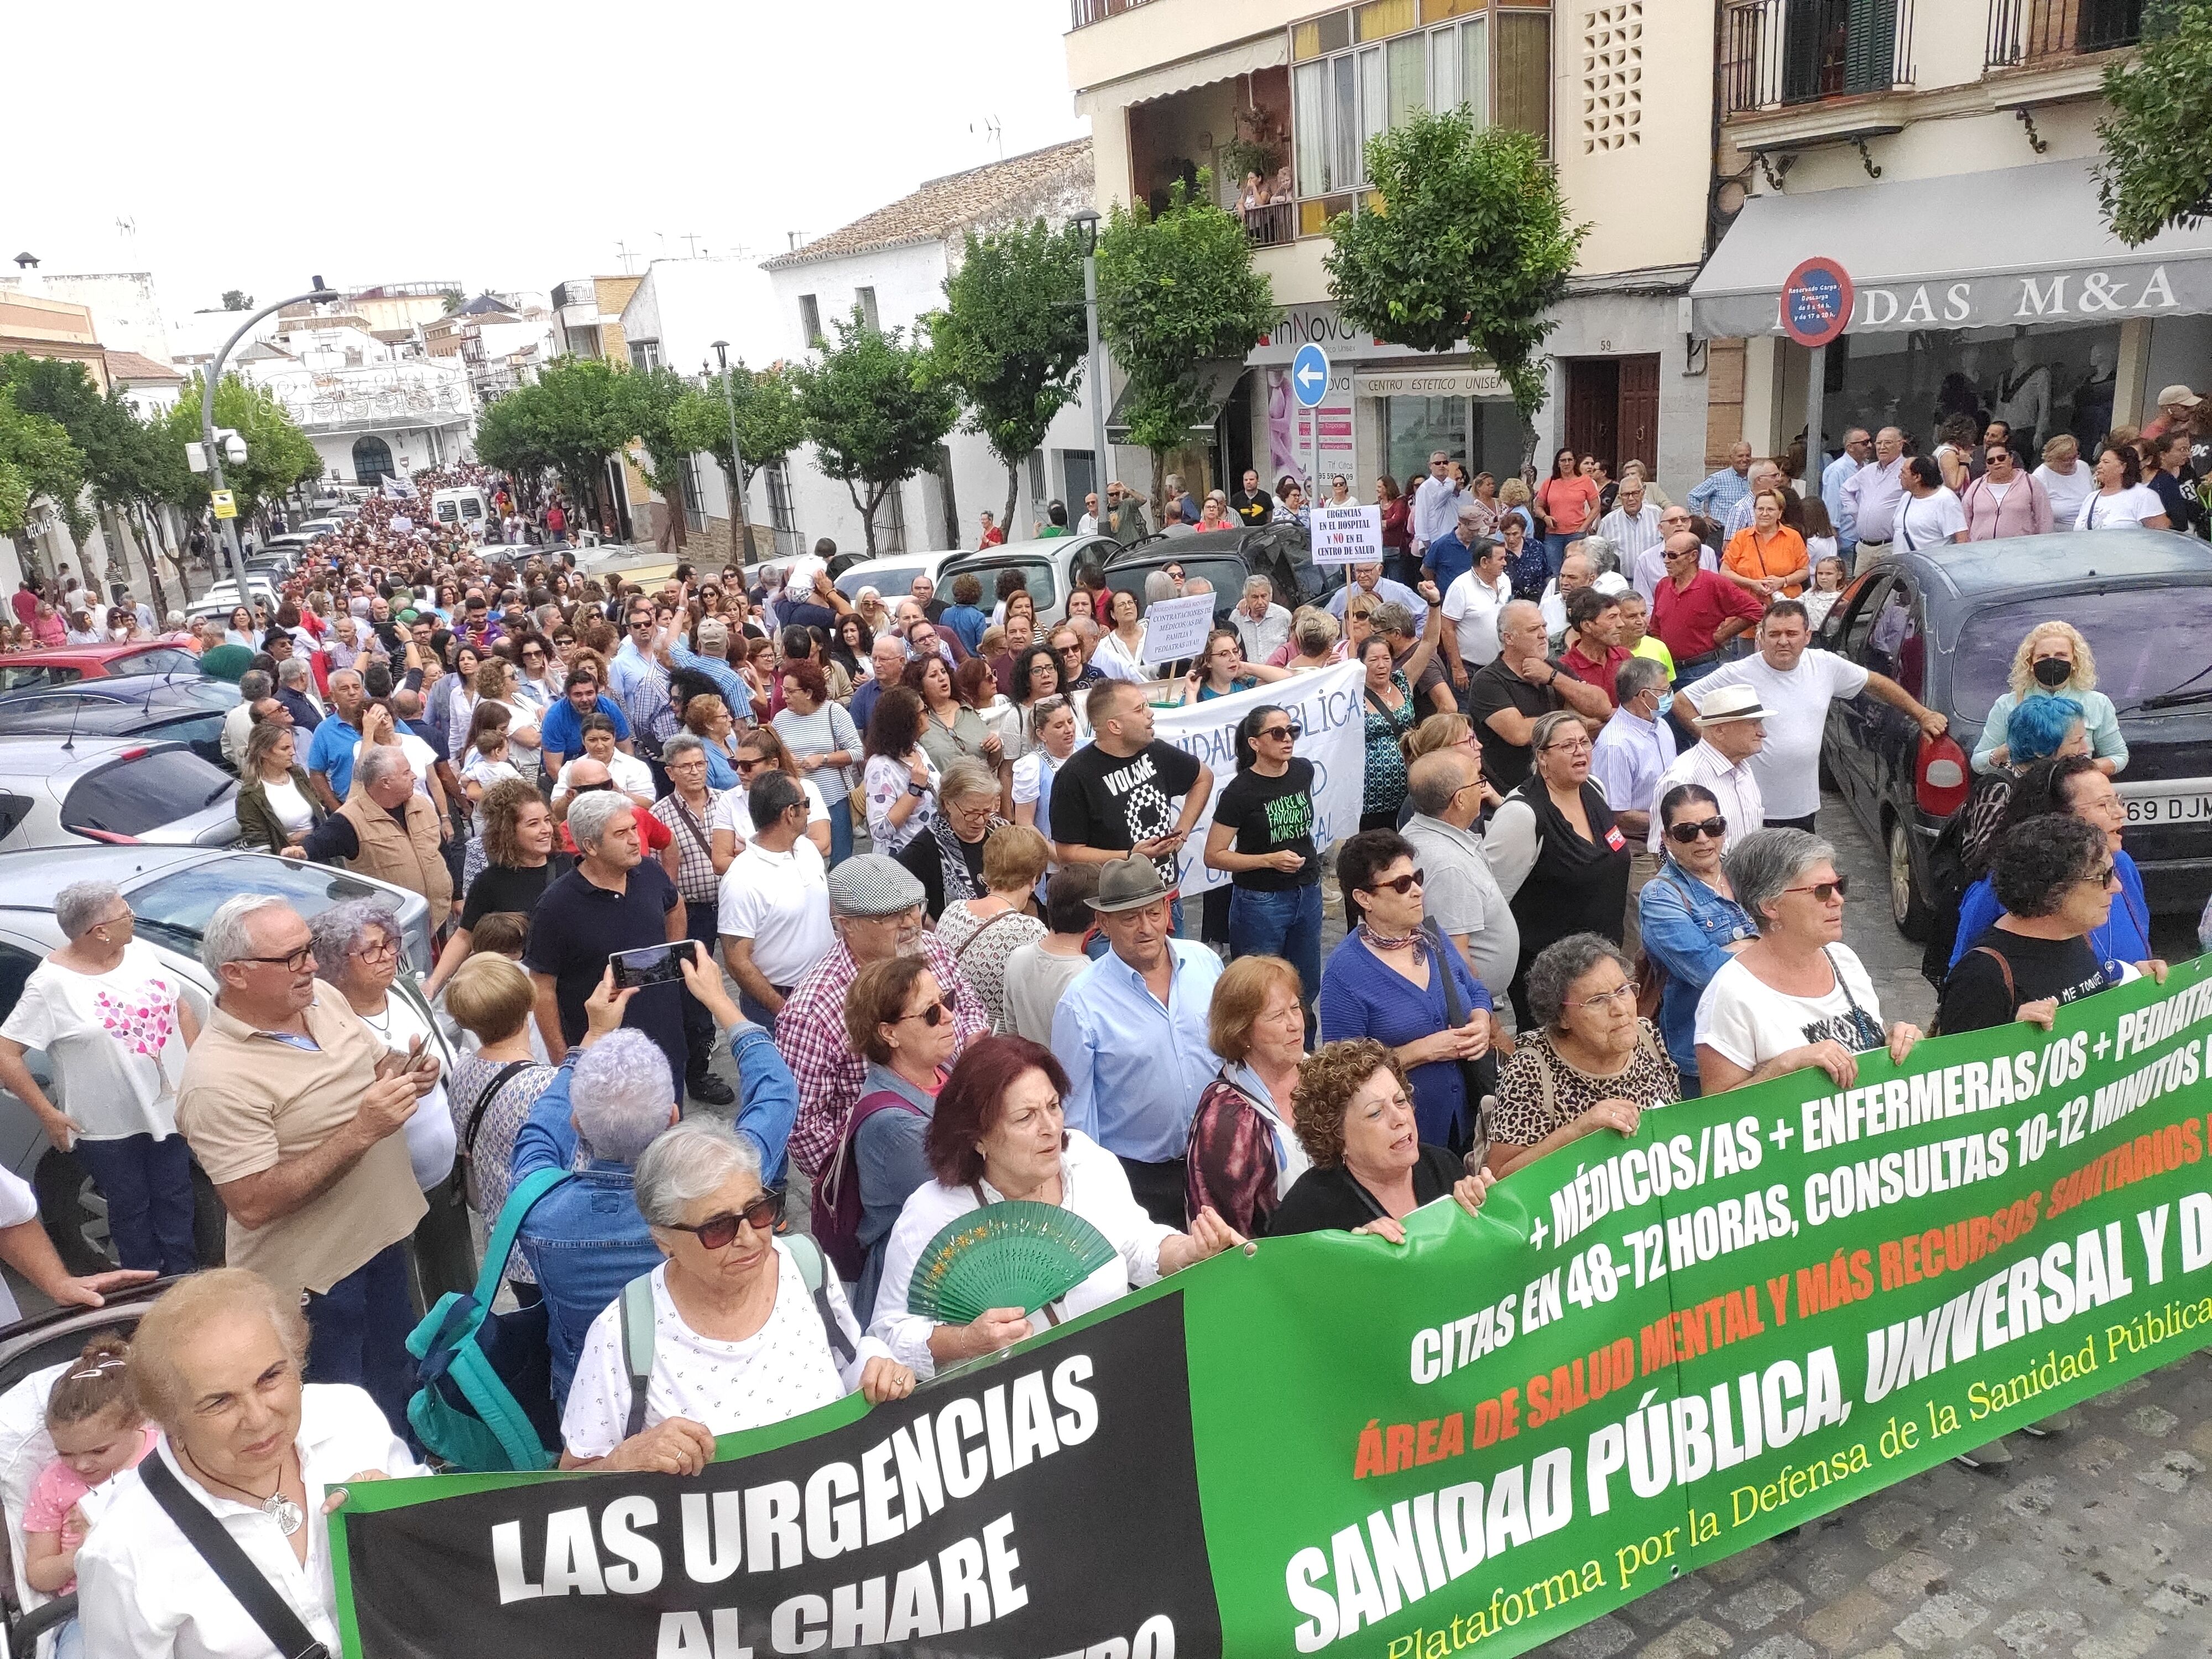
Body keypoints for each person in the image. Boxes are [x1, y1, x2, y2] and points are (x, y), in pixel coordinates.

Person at [176, 896, 440, 1431]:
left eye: (309, 949)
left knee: (398, 1383)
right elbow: (252, 1203)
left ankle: (409, 1465)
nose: (314, 965)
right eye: (292, 957)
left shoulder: (322, 998)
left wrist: (409, 1069)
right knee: (341, 1418)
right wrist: (362, 1130)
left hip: (380, 1241)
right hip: (316, 1284)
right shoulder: (216, 1081)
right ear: (235, 974)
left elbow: (374, 1063)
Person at [75, 1270, 424, 1659]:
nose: (258, 1419)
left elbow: (444, 1567)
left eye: (270, 1377)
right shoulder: (123, 1553)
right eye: (219, 1401)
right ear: (169, 1419)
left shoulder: (350, 1418)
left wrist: (404, 1520)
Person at [869, 1035, 1241, 1376]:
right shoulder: (933, 1213)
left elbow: (1136, 1245)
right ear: (977, 1137)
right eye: (1025, 1117)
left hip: (1117, 1375)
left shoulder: (1087, 1161)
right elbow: (889, 1335)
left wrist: (1190, 1251)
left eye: (1053, 1106)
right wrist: (966, 1341)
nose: (1050, 1127)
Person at [513, 960, 797, 1404]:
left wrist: (593, 1035)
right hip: (703, 1391)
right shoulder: (725, 1188)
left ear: (578, 1124)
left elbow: (540, 1131)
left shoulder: (536, 1208)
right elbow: (776, 1091)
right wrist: (720, 1001)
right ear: (672, 1117)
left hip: (593, 1398)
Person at [559, 1116, 907, 1472]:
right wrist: (625, 1461)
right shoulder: (622, 1333)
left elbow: (848, 1360)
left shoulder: (806, 1266)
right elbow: (572, 1481)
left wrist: (878, 1365)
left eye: (758, 1211)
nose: (749, 1238)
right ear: (664, 1240)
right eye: (718, 1227)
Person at [0, 883, 198, 1277]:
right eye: (126, 913)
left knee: (177, 1201)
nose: (133, 918)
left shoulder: (138, 953)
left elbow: (181, 1008)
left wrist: (200, 1072)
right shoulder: (51, 985)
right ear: (100, 931)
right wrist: (48, 1114)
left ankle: (185, 1285)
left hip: (168, 1110)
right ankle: (145, 1294)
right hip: (108, 1129)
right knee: (131, 1213)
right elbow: (6, 1052)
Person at [777, 856, 987, 1180]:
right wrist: (864, 1181)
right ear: (847, 924)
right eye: (891, 916)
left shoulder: (933, 949)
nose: (910, 923)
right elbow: (804, 1127)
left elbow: (969, 1007)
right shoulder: (812, 1011)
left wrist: (971, 1044)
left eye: (913, 908)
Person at [1051, 856, 1224, 1226]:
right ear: (1103, 923)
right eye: (1130, 918)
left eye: (1153, 913)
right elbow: (1077, 1117)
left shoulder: (1206, 963)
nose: (1146, 928)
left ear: (1167, 910)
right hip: (1140, 1181)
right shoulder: (1081, 1003)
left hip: (1219, 1160)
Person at [1694, 828, 1921, 1095]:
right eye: (1821, 891)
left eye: (1839, 886)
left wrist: (1895, 1040)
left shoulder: (1844, 960)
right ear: (1770, 905)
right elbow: (1718, 1110)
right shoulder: (1730, 994)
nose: (1838, 900)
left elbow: (1867, 1044)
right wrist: (1785, 1066)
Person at [1687, 599, 1944, 833]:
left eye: (1791, 634)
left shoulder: (1825, 665)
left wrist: (1922, 715)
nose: (1783, 641)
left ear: (1807, 636)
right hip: (1749, 809)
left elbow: (1875, 683)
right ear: (1761, 637)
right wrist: (1717, 749)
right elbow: (1683, 701)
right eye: (1774, 634)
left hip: (1803, 808)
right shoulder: (1737, 673)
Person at [1318, 830, 1494, 1149]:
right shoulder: (1345, 972)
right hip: (1405, 1138)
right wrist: (1424, 1051)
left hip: (1470, 1120)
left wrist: (1481, 1021)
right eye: (1402, 884)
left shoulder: (1431, 937)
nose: (1418, 891)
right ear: (1364, 899)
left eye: (1417, 878)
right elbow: (1343, 1072)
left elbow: (1475, 990)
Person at [525, 790, 687, 1090]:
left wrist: (671, 957)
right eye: (621, 834)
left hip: (665, 1046)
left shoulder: (649, 871)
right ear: (590, 846)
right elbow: (542, 988)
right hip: (603, 1064)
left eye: (634, 828)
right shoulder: (555, 906)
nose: (635, 840)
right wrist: (563, 1059)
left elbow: (675, 905)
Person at [1483, 707, 1636, 1022]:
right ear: (1542, 758)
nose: (1580, 751)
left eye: (1584, 742)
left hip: (1603, 961)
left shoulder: (1594, 789)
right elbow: (1492, 899)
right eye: (1567, 746)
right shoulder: (1522, 814)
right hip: (1550, 979)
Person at [1490, 929, 1679, 1181]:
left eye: (1623, 990)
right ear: (1562, 1016)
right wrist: (1579, 1130)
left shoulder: (1646, 1036)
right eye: (1598, 1000)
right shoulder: (1530, 1069)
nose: (1620, 1009)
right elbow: (1499, 1177)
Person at [1949, 755, 2157, 977]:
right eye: (2103, 805)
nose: (2121, 813)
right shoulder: (2002, 886)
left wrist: (2137, 973)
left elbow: (2137, 952)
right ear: (2058, 818)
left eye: (2117, 801)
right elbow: (1964, 977)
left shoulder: (2122, 865)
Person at [1267, 1039, 1494, 1238]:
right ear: (1337, 1136)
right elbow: (1278, 1272)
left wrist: (1486, 1205)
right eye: (1376, 1113)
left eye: (1400, 1101)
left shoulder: (1442, 1165)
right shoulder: (1308, 1209)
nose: (1400, 1119)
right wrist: (1358, 1257)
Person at [1939, 814, 2138, 1038]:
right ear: (2054, 889)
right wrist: (2011, 1033)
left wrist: (2135, 980)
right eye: (2104, 877)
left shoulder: (2075, 937)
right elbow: (1954, 1057)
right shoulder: (1983, 975)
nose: (2117, 887)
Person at [22, 1332, 160, 1653]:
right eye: (65, 1453)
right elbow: (39, 1574)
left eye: (99, 1451)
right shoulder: (53, 1483)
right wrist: (81, 1555)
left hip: (166, 1585)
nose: (82, 1465)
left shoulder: (164, 1454)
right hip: (88, 1607)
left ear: (138, 1420)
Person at [1636, 783, 1758, 1095]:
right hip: (1702, 1057)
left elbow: (1795, 931)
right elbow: (1706, 970)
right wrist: (1765, 946)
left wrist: (1732, 950)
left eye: (1712, 826)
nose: (1703, 839)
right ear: (1666, 839)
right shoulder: (1660, 896)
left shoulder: (1747, 873)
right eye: (1687, 832)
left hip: (1764, 1040)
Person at [1183, 956, 1311, 1239]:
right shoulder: (1226, 1121)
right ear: (1241, 1033)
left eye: (1295, 1009)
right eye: (1277, 1016)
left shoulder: (1324, 1076)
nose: (1294, 1024)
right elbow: (1224, 1238)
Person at [1204, 703, 1325, 996]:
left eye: (1292, 731)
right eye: (1277, 733)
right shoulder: (1240, 792)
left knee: (1306, 986)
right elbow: (1214, 855)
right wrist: (1269, 860)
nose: (1288, 739)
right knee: (1259, 990)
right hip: (1261, 900)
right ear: (1255, 743)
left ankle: (1303, 1028)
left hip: (1307, 889)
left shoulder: (1303, 770)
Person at [1053, 680, 1213, 895]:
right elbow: (1068, 854)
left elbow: (1203, 777)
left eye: (1146, 705)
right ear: (1115, 726)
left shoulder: (1155, 751)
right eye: (1140, 709)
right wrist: (1130, 857)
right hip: (1115, 903)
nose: (1150, 713)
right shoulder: (1074, 776)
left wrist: (1181, 834)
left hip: (1167, 895)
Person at [442, 952, 555, 1240]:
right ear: (529, 1000)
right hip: (547, 1236)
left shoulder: (462, 1072)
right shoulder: (546, 1085)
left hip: (500, 1236)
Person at [285, 743, 455, 930]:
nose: (414, 776)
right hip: (394, 928)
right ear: (385, 783)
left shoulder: (422, 805)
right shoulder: (350, 819)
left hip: (437, 918)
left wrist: (457, 898)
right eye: (406, 773)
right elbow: (319, 843)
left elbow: (442, 852)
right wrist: (301, 852)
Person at [718, 770, 833, 1032]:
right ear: (790, 813)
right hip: (777, 1006)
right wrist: (783, 1009)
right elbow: (736, 961)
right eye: (805, 804)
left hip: (825, 992)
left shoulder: (807, 850)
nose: (809, 811)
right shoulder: (742, 879)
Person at [1465, 600, 1611, 794]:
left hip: (1559, 788)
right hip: (1513, 793)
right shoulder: (1488, 680)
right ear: (1509, 638)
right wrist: (1577, 721)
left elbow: (1603, 707)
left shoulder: (1553, 669)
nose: (1543, 635)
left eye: (1544, 626)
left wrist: (1554, 678)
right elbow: (1519, 733)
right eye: (1533, 629)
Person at [933, 823, 1050, 1034]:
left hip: (952, 1033)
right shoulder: (1031, 930)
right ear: (1034, 880)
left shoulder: (953, 911)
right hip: (998, 1042)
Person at [1971, 620, 2126, 776]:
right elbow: (1978, 763)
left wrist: (2080, 769)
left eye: (2061, 655)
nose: (2052, 661)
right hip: (2025, 788)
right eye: (2043, 657)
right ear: (2031, 663)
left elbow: (2119, 756)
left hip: (2075, 788)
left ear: (2075, 661)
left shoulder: (2098, 703)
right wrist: (2009, 748)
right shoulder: (2007, 704)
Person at [1647, 682, 1768, 854]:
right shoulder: (1683, 778)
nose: (1763, 733)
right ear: (1719, 731)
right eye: (1753, 724)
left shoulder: (1743, 769)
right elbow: (1661, 853)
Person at [894, 754, 1003, 920]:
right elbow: (897, 895)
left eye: (987, 811)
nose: (981, 821)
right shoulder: (926, 847)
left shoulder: (1001, 833)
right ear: (947, 803)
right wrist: (928, 924)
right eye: (971, 813)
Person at [234, 719, 324, 854]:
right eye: (285, 748)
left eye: (292, 746)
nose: (293, 752)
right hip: (291, 860)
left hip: (321, 851)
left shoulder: (297, 774)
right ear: (264, 753)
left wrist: (309, 835)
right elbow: (259, 845)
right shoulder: (249, 795)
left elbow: (319, 808)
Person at [1440, 533, 1515, 686]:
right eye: (1501, 559)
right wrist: (1457, 668)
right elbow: (1447, 629)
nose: (1505, 563)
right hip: (1469, 670)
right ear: (1484, 562)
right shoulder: (1460, 587)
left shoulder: (1505, 580)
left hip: (1501, 667)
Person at [1721, 488, 1811, 600]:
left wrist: (1783, 581)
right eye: (1760, 509)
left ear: (1780, 513)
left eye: (1770, 509)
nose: (1764, 514)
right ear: (1754, 511)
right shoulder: (1741, 537)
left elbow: (1804, 571)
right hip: (1747, 603)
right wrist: (1752, 584)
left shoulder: (1793, 537)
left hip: (1784, 604)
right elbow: (1725, 571)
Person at [1961, 435, 2056, 539]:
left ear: (2011, 459)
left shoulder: (2031, 483)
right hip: (1981, 547)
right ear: (1987, 465)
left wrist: (2044, 543)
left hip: (2022, 547)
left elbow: (2044, 519)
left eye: (2001, 458)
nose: (1997, 463)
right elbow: (1964, 520)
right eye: (1991, 461)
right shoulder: (1976, 487)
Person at [2149, 429, 2209, 538]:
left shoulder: (2187, 470)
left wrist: (2204, 488)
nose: (2188, 454)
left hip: (2197, 529)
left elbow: (2198, 495)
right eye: (2182, 450)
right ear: (2163, 455)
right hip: (2173, 532)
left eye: (2188, 449)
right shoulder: (2156, 480)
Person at [2033, 433, 2096, 531]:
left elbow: (2094, 495)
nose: (2072, 462)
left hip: (2089, 529)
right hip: (2059, 534)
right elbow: (2036, 514)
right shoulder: (2040, 476)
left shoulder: (2083, 467)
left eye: (2075, 457)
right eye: (2066, 460)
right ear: (2052, 458)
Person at [1233, 575, 1293, 664]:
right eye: (1255, 597)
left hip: (1279, 670)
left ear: (1271, 597)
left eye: (1264, 596)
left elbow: (1293, 648)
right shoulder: (1237, 617)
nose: (1260, 602)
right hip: (1247, 671)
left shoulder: (1284, 616)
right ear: (1246, 598)